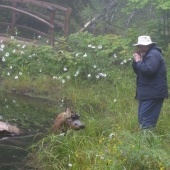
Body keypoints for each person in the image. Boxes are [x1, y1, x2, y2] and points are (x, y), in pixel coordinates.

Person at [132, 35, 168, 129]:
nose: (141, 48)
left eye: (143, 46)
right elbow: (139, 72)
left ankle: (147, 142)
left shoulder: (153, 54)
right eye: (139, 46)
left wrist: (139, 61)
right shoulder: (147, 55)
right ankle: (146, 142)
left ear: (149, 45)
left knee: (146, 122)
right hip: (148, 93)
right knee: (143, 119)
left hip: (153, 92)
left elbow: (149, 71)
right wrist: (136, 61)